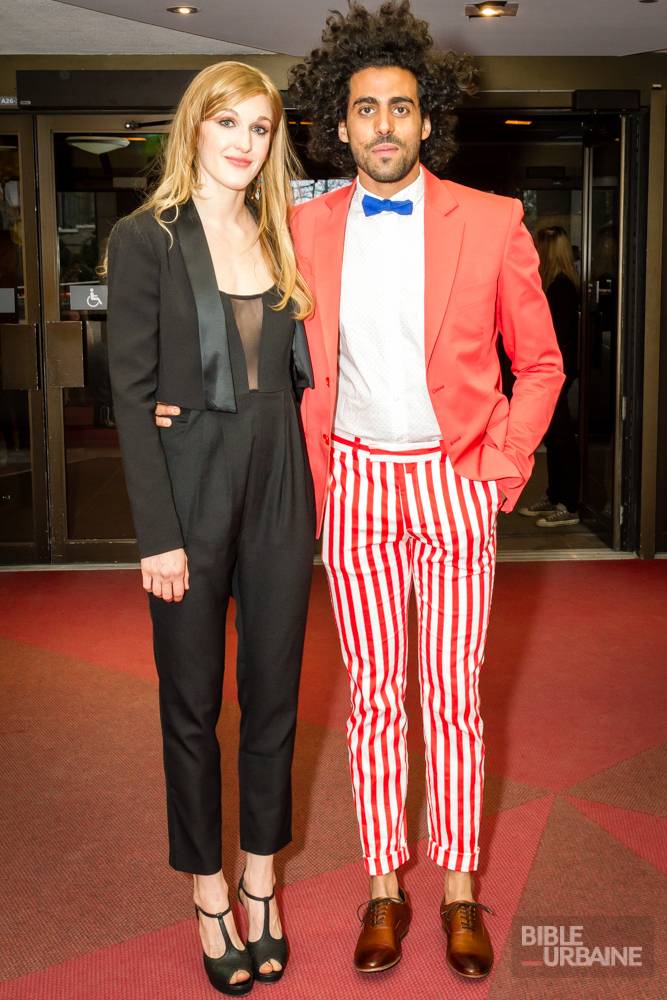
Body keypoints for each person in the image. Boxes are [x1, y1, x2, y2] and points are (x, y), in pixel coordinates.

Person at [158, 0, 564, 981]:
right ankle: (385, 883)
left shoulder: (494, 220)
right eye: (364, 108)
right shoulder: (302, 225)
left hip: (453, 488)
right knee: (376, 698)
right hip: (351, 493)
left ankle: (459, 888)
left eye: (401, 107)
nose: (383, 123)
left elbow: (541, 364)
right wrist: (177, 392)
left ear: (427, 121)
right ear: (337, 125)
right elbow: (238, 321)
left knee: (454, 700)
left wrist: (498, 473)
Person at [106, 61, 315, 996]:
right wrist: (158, 534)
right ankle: (206, 889)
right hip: (189, 489)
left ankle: (261, 878)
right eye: (225, 122)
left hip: (280, 482)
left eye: (260, 127)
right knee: (191, 708)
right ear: (194, 129)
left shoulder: (286, 234)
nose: (242, 141)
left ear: (274, 141)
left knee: (273, 698)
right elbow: (131, 394)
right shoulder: (144, 237)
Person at [519, 225, 581, 526]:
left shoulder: (561, 287)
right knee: (555, 437)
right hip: (555, 370)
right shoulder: (555, 284)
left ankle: (567, 503)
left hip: (557, 371)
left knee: (561, 436)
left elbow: (558, 335)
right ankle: (556, 494)